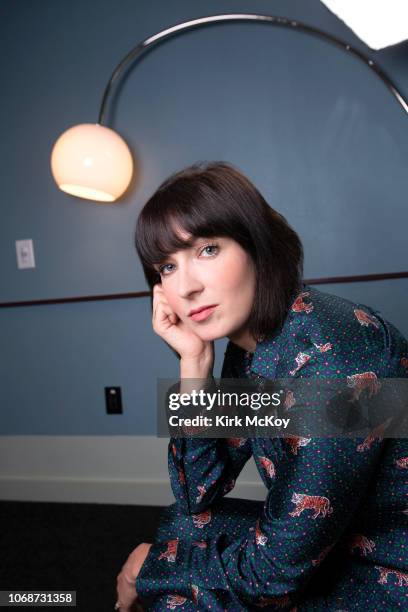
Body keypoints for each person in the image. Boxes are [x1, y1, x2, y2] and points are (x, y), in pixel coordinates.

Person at [116, 162, 408, 611]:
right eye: (167, 266)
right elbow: (196, 493)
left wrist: (151, 568)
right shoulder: (251, 345)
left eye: (208, 249)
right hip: (333, 548)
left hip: (387, 577)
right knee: (183, 527)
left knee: (178, 593)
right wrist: (194, 365)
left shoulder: (337, 359)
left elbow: (273, 577)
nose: (187, 286)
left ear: (256, 245)